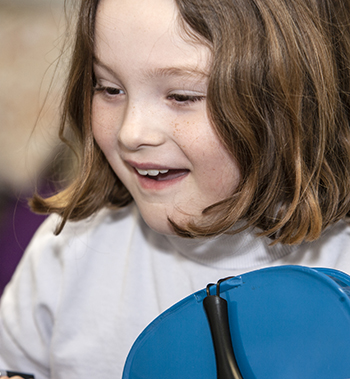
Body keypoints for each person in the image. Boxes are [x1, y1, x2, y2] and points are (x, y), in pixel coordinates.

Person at [1, 0, 350, 378]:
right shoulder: (67, 254)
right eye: (109, 89)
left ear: (292, 100)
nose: (130, 133)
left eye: (182, 96)